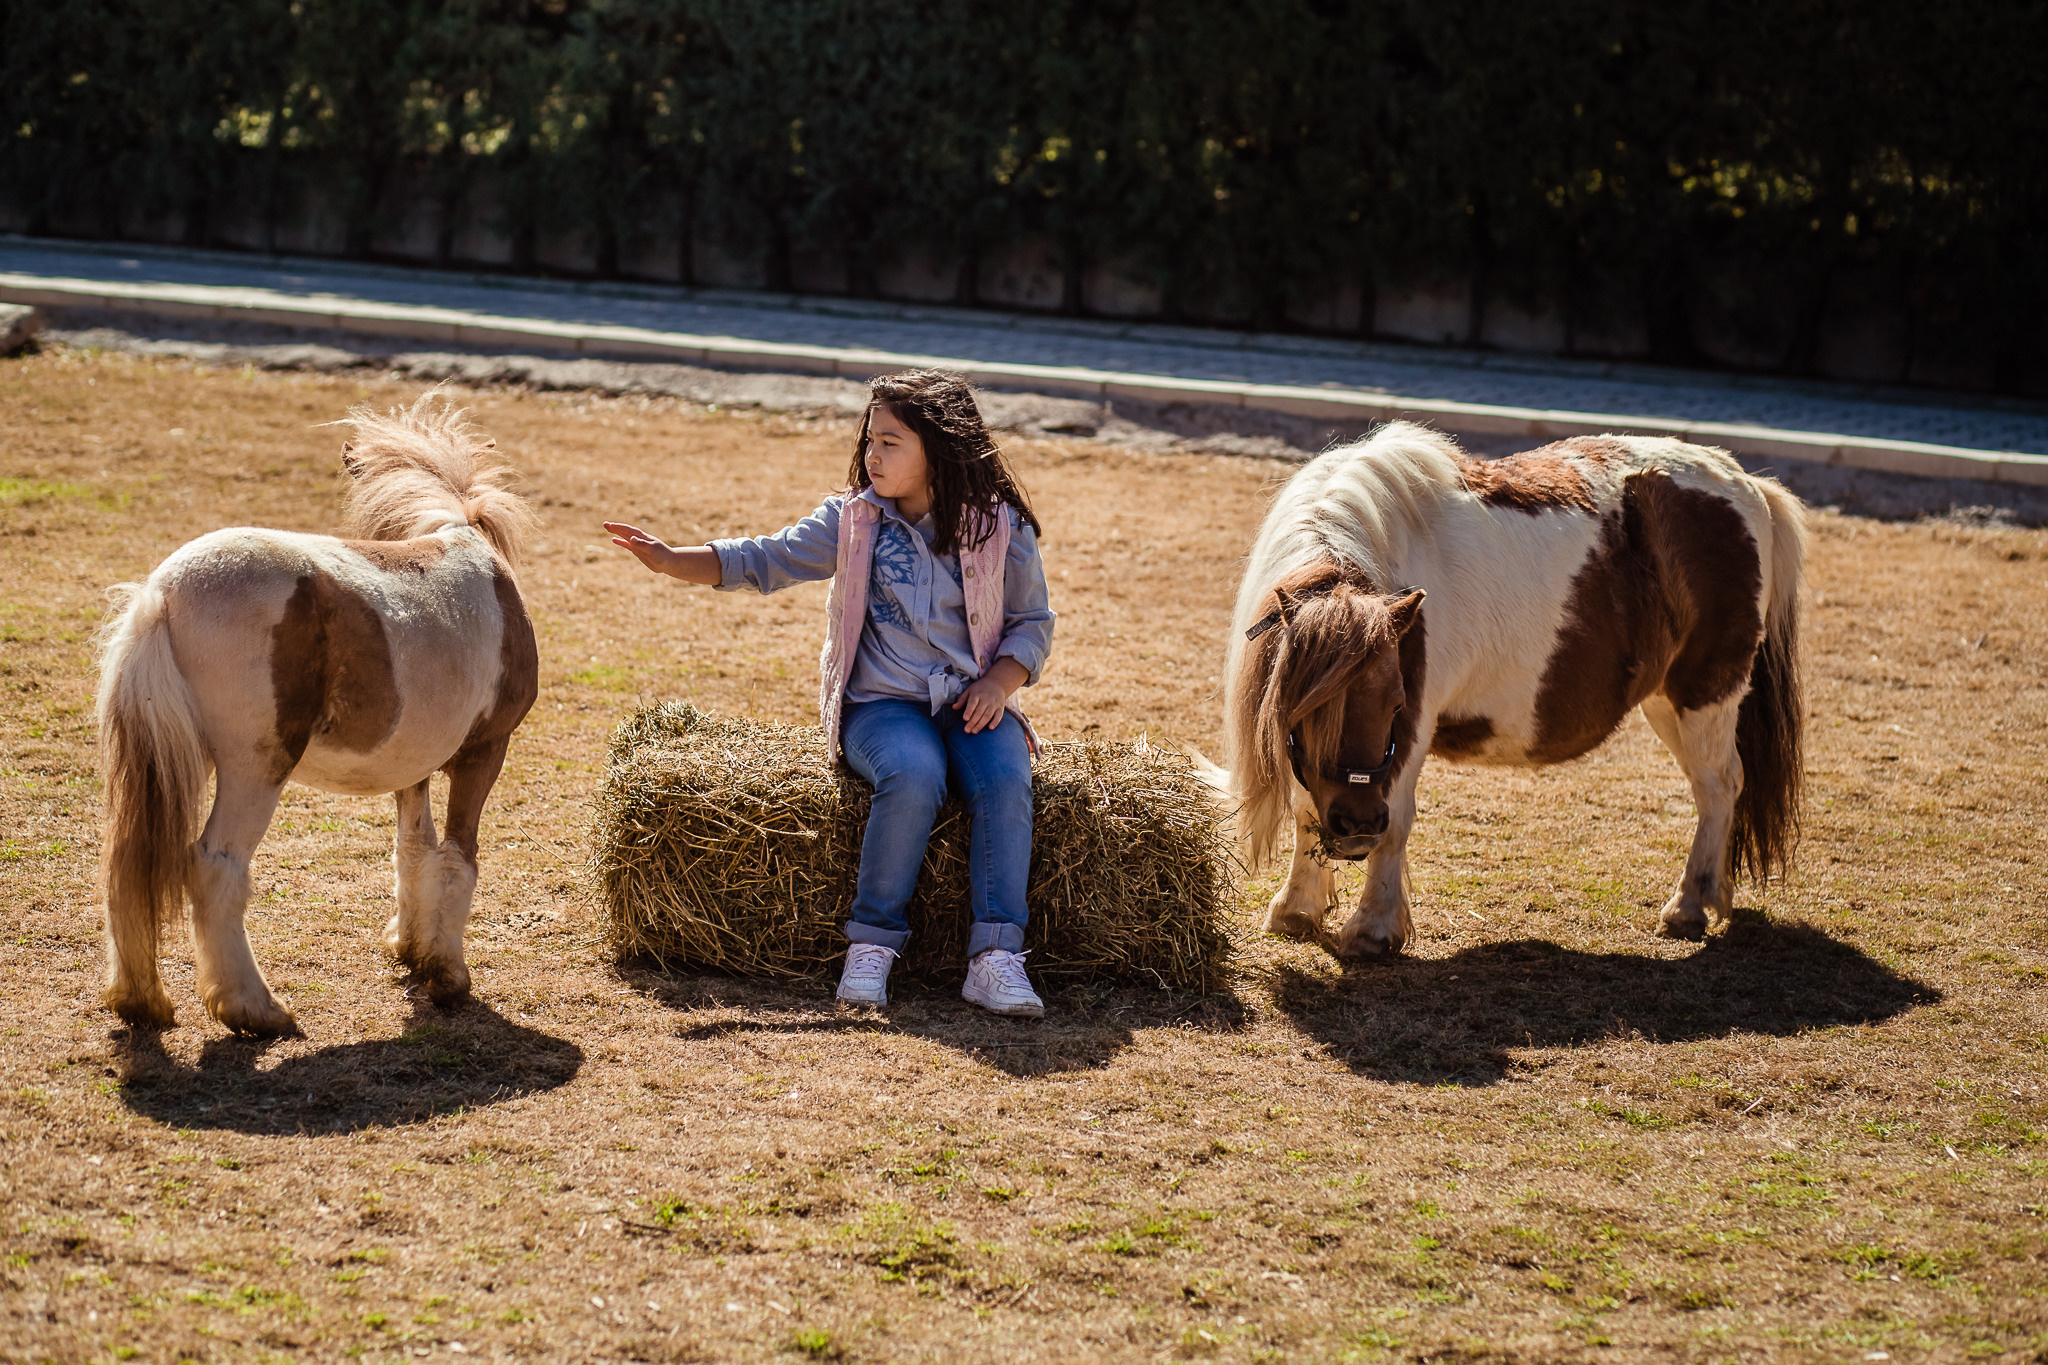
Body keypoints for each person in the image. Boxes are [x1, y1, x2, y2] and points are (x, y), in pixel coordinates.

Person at [603, 371, 1056, 1016]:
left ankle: (995, 959)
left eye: (891, 443)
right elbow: (768, 557)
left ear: (939, 447)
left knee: (1005, 778)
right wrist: (675, 559)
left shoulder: (998, 528)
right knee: (913, 772)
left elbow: (1032, 623)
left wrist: (1000, 682)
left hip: (971, 700)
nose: (873, 455)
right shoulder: (852, 521)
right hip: (881, 706)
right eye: (870, 440)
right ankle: (870, 949)